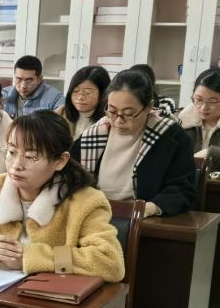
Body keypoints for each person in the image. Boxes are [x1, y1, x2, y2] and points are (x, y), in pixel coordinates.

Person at [0, 111, 124, 282]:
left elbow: (109, 261)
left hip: (46, 305)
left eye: (31, 157)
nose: (16, 165)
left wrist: (31, 257)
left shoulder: (86, 202)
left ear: (60, 161)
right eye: (11, 152)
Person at [72, 70, 197, 218]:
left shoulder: (170, 137)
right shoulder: (94, 134)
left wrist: (150, 208)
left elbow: (182, 190)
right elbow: (68, 179)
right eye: (112, 111)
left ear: (149, 107)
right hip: (94, 215)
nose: (118, 121)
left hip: (143, 220)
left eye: (128, 114)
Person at [57, 65, 109, 140]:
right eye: (76, 91)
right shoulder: (61, 113)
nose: (80, 97)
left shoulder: (109, 121)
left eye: (88, 92)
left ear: (103, 94)